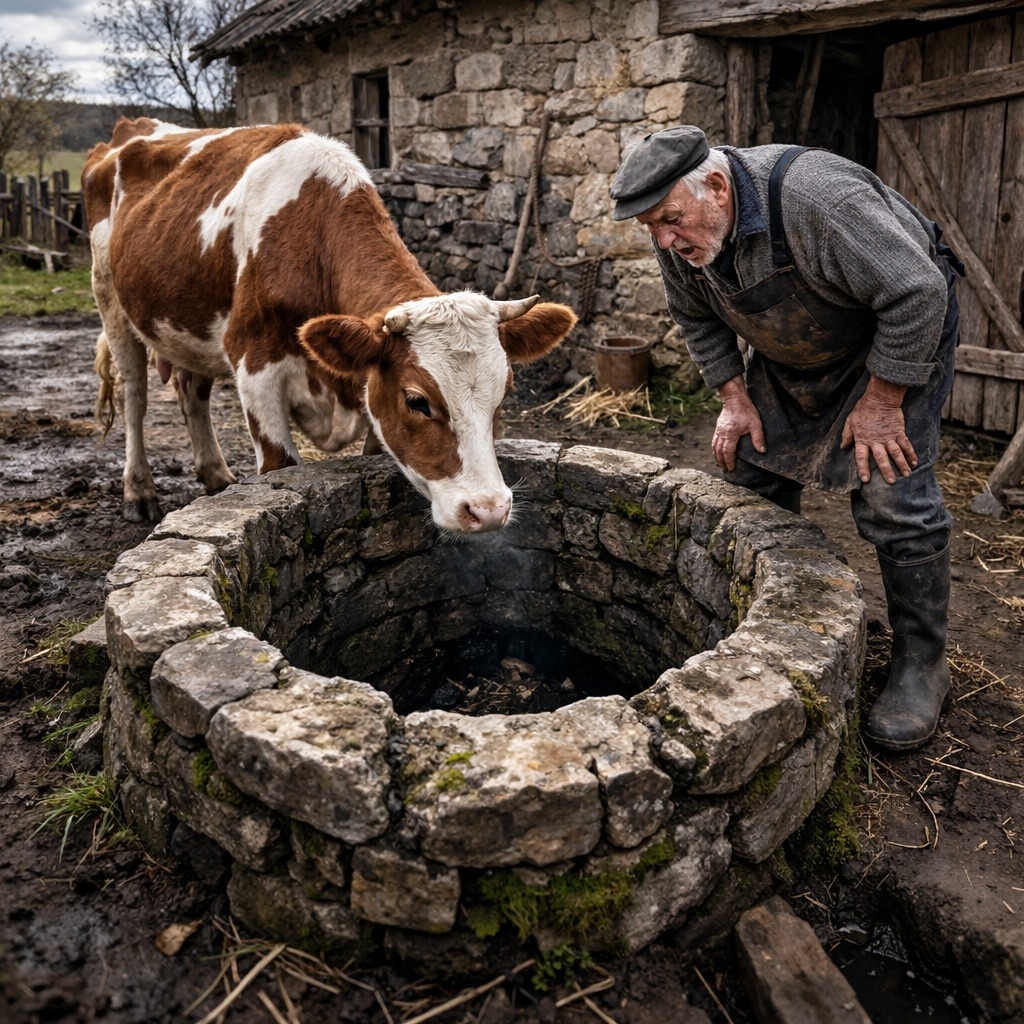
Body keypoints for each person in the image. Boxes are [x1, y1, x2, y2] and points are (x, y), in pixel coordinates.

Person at [609, 125, 965, 752]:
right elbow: (695, 315)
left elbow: (917, 292)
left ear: (717, 187)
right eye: (650, 229)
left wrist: (883, 402)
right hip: (793, 353)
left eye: (670, 221)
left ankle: (922, 664)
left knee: (892, 496)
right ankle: (759, 627)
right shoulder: (682, 235)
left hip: (893, 340)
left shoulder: (816, 201)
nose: (663, 241)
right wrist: (733, 398)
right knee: (752, 469)